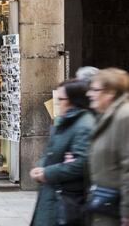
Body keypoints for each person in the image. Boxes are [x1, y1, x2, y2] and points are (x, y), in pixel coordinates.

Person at [30, 79, 95, 226]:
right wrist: (41, 167)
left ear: (74, 100)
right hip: (53, 194)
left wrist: (47, 172)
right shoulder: (65, 121)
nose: (57, 103)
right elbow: (52, 152)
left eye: (60, 99)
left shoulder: (84, 125)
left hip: (65, 198)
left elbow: (80, 163)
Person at [86, 68, 129, 226]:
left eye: (95, 89)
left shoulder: (124, 117)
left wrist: (127, 211)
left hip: (116, 209)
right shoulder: (106, 116)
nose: (89, 94)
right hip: (105, 204)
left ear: (110, 92)